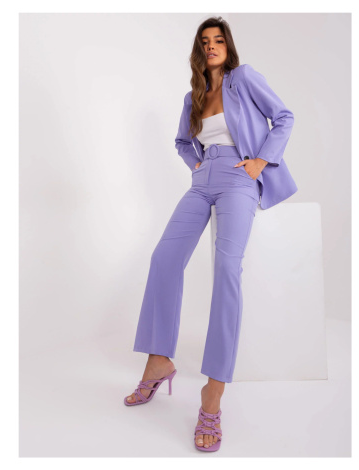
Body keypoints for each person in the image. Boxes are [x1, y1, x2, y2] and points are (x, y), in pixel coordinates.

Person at [124, 16, 297, 452]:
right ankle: (158, 361)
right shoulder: (193, 96)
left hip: (240, 175)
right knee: (164, 258)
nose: (212, 46)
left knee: (226, 268)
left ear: (228, 46)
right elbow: (183, 143)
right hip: (203, 179)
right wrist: (197, 166)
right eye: (205, 41)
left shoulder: (244, 78)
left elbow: (284, 116)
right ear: (199, 50)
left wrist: (261, 161)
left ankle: (213, 392)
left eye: (219, 40)